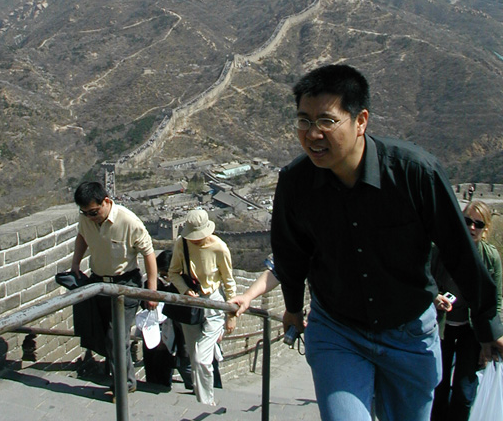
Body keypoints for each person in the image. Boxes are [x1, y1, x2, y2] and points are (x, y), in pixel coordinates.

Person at [270, 63, 503, 421]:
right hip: (338, 330)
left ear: (360, 121)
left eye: (326, 121)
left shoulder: (415, 174)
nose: (312, 134)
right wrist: (292, 306)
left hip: (410, 332)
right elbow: (290, 252)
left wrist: (488, 326)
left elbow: (459, 251)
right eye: (304, 121)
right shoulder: (295, 183)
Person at [70, 181, 157, 396]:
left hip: (125, 285)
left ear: (106, 201)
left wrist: (151, 291)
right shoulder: (86, 219)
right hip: (98, 283)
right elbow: (82, 236)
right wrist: (75, 264)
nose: (90, 217)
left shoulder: (128, 221)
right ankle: (124, 378)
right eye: (85, 213)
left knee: (116, 337)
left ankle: (123, 385)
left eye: (93, 212)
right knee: (102, 335)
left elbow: (148, 253)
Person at [431, 200, 503, 421]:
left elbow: (496, 301)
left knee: (464, 393)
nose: (472, 227)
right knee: (438, 387)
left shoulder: (490, 257)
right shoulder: (442, 249)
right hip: (441, 327)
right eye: (467, 221)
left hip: (471, 331)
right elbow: (424, 281)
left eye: (478, 224)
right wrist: (435, 297)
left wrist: (489, 341)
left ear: (486, 229)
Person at [168, 208, 237, 406]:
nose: (196, 240)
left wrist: (232, 315)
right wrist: (184, 290)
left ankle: (207, 401)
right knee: (194, 356)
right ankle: (201, 398)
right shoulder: (182, 243)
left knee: (201, 358)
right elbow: (173, 272)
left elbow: (229, 282)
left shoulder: (219, 248)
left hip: (213, 303)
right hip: (191, 303)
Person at [142, 249, 193, 391]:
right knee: (154, 371)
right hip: (155, 334)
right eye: (161, 274)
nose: (164, 278)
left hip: (177, 335)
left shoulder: (183, 286)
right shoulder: (152, 285)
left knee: (185, 365)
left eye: (166, 275)